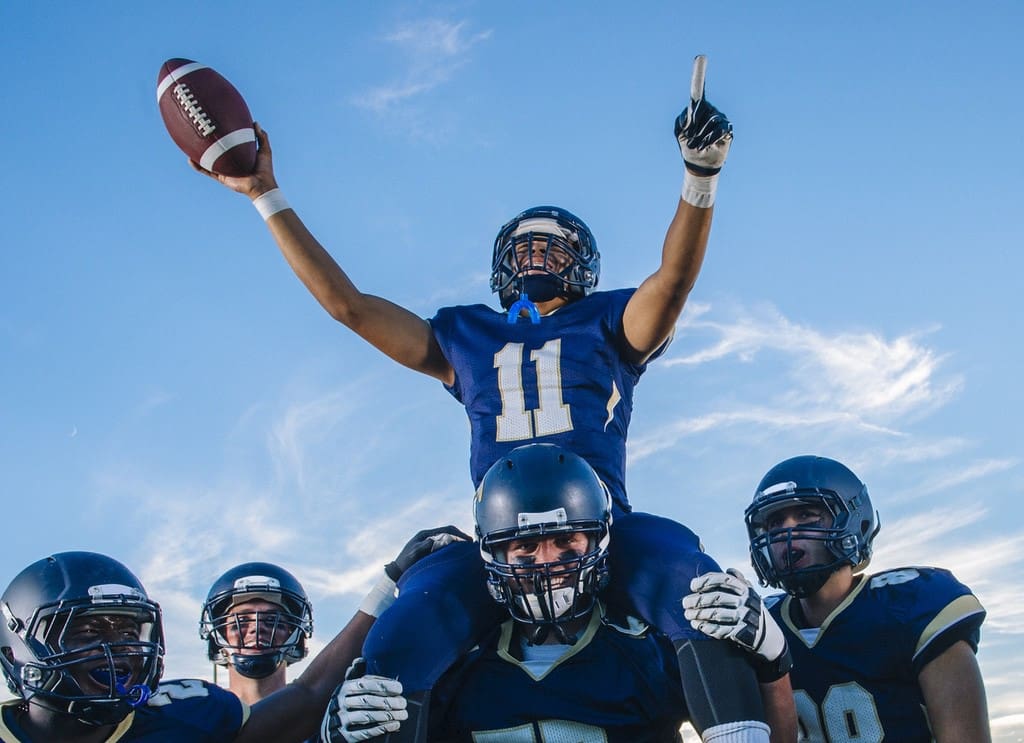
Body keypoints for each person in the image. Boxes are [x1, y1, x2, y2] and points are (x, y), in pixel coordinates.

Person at [190, 55, 784, 741]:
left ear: (583, 266)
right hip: (498, 543)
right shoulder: (466, 334)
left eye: (553, 247)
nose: (536, 255)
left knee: (698, 591)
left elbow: (673, 280)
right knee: (402, 638)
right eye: (525, 245)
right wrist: (266, 193)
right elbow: (348, 307)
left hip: (604, 527)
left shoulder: (609, 323)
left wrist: (699, 180)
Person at [322, 443, 776, 743]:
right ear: (491, 553)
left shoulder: (646, 648)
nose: (547, 563)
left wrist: (772, 659)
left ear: (599, 541)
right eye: (524, 546)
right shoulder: (455, 663)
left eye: (566, 541)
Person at [0, 531, 461, 742]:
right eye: (86, 631)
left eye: (127, 630)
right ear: (15, 650)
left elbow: (309, 693)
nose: (117, 648)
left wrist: (389, 584)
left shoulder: (185, 715)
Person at [683, 455, 992, 742]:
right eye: (775, 522)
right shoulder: (765, 621)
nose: (786, 533)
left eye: (806, 514)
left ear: (856, 523)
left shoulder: (912, 603)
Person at [200, 562, 315, 704]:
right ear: (220, 633)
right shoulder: (201, 715)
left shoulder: (317, 712)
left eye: (272, 619)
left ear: (294, 633)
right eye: (241, 620)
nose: (257, 627)